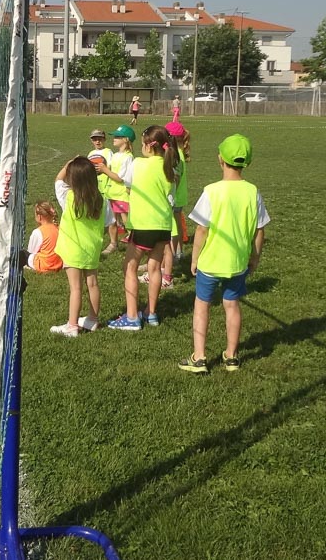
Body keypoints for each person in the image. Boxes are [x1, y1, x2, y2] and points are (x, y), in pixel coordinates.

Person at [178, 134, 270, 373]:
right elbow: (260, 230)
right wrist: (254, 258)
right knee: (232, 305)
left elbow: (201, 229)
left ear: (220, 159)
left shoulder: (212, 191)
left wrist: (194, 258)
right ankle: (231, 356)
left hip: (210, 263)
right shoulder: (253, 192)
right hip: (238, 263)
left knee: (202, 305)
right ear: (247, 162)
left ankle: (199, 357)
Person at [108, 125, 178, 330]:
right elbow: (171, 197)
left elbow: (127, 185)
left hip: (143, 224)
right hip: (163, 225)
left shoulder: (138, 163)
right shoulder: (170, 168)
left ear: (149, 145)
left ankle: (132, 317)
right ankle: (151, 313)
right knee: (155, 268)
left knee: (129, 267)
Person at [51, 157, 104, 337]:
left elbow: (58, 180)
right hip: (92, 249)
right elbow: (107, 223)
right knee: (93, 284)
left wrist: (68, 164)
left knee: (76, 288)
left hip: (72, 250)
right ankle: (92, 319)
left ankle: (72, 325)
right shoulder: (101, 199)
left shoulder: (68, 197)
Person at [159, 119, 190, 288]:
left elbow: (175, 178)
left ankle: (168, 262)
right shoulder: (178, 151)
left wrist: (169, 195)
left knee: (172, 230)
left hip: (175, 197)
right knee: (176, 226)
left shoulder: (175, 155)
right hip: (179, 197)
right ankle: (177, 253)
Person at [96, 125, 135, 256]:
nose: (114, 138)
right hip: (111, 193)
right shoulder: (116, 155)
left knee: (127, 222)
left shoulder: (128, 157)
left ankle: (135, 244)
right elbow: (108, 170)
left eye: (118, 137)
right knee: (112, 221)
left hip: (122, 195)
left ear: (126, 140)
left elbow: (120, 178)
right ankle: (113, 243)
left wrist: (105, 170)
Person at [87, 129, 116, 255]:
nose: (97, 141)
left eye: (100, 139)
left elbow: (110, 168)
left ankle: (113, 243)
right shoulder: (91, 153)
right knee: (97, 216)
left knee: (111, 219)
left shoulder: (108, 152)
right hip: (95, 189)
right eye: (95, 139)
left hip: (106, 189)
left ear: (104, 139)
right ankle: (96, 240)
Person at [25, 200, 63, 273]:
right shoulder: (59, 229)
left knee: (23, 254)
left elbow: (31, 251)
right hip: (59, 263)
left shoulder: (38, 232)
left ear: (39, 217)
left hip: (44, 265)